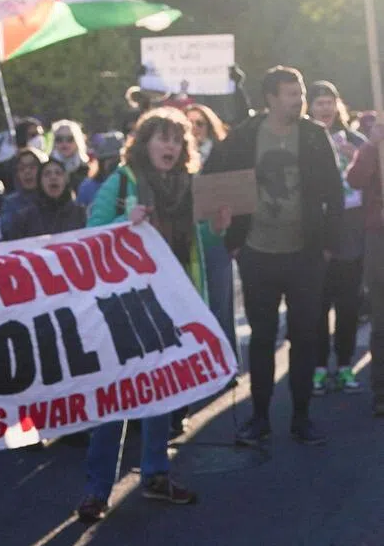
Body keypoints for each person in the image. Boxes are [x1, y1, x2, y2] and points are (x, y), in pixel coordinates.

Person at [76, 107, 225, 522]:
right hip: (124, 302)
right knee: (117, 394)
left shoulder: (190, 186)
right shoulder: (121, 181)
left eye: (178, 140)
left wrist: (219, 224)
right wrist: (127, 218)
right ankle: (97, 489)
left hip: (172, 300)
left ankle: (156, 475)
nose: (171, 147)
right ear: (144, 143)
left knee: (162, 390)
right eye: (163, 138)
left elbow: (203, 240)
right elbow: (91, 236)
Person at [204, 66, 343, 447]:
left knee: (305, 337)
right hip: (257, 253)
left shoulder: (314, 136)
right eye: (290, 94)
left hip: (305, 255)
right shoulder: (245, 136)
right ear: (269, 98)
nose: (298, 100)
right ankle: (260, 417)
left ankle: (301, 418)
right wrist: (233, 240)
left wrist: (328, 246)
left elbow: (335, 191)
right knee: (262, 339)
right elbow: (213, 179)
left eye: (299, 93)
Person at [307, 81, 366, 395]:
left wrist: (355, 154)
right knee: (317, 304)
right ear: (309, 108)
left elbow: (374, 175)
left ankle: (344, 365)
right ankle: (317, 367)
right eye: (319, 103)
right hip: (316, 233)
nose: (325, 108)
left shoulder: (356, 140)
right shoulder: (304, 140)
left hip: (351, 231)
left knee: (348, 305)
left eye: (330, 102)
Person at [185, 103, 237, 356]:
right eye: (188, 124)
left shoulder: (223, 154)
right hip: (187, 238)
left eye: (200, 123)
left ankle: (225, 361)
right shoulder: (176, 160)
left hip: (217, 237)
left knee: (220, 302)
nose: (194, 129)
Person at [346, 121, 384, 417]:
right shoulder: (372, 148)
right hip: (379, 237)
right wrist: (372, 147)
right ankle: (381, 391)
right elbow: (355, 180)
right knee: (381, 317)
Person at [12, 155, 87, 238]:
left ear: (66, 180)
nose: (53, 177)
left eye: (58, 173)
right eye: (47, 174)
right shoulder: (25, 218)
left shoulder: (80, 213)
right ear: (40, 182)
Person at [0, 147, 45, 240]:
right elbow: (7, 232)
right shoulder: (10, 203)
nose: (27, 172)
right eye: (22, 168)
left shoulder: (53, 198)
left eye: (32, 167)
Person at [77, 132, 124, 210]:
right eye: (109, 159)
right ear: (101, 162)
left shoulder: (131, 185)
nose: (115, 164)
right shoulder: (88, 187)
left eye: (117, 159)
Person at [49, 120, 90, 194]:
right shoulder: (46, 167)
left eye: (70, 139)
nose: (64, 143)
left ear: (78, 141)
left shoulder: (88, 167)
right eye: (59, 139)